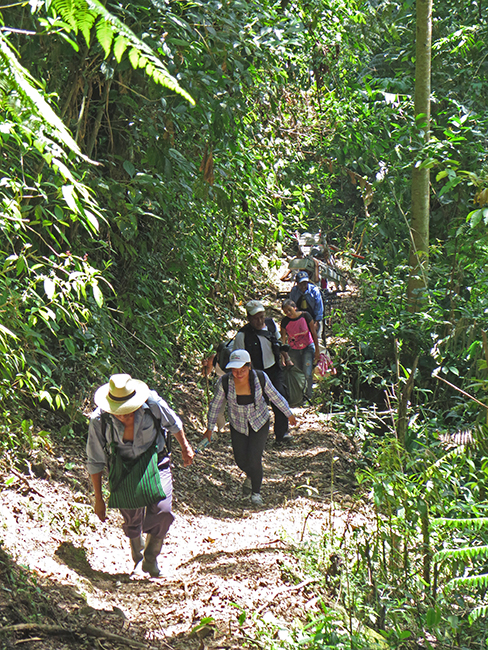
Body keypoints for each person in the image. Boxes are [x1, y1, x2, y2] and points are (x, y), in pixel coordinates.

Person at [86, 373, 194, 577]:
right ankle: (138, 556)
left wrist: (185, 447)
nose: (123, 416)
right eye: (119, 413)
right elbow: (95, 460)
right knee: (130, 513)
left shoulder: (152, 403)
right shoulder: (100, 420)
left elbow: (174, 423)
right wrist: (98, 499)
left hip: (155, 460)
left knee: (162, 510)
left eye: (128, 411)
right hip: (123, 466)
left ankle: (151, 558)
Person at [203, 350, 296, 506]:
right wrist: (209, 428)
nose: (239, 374)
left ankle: (256, 492)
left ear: (249, 366)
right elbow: (215, 406)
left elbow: (275, 396)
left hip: (259, 422)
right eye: (235, 370)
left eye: (243, 370)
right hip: (238, 425)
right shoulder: (225, 382)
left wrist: (289, 414)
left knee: (254, 458)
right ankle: (252, 476)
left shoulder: (260, 378)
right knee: (240, 460)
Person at [233, 300, 292, 443]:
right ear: (248, 318)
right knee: (256, 405)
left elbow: (279, 342)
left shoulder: (271, 325)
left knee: (280, 398)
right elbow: (239, 358)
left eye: (262, 316)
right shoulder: (243, 335)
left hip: (273, 369)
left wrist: (287, 358)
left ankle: (282, 433)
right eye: (256, 318)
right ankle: (256, 437)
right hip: (255, 374)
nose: (260, 320)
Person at [281, 299, 320, 401]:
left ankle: (308, 396)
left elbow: (313, 332)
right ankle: (299, 397)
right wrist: (283, 356)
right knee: (298, 373)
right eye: (286, 312)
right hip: (294, 349)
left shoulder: (305, 316)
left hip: (307, 346)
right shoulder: (285, 322)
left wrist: (317, 350)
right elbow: (283, 340)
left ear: (295, 308)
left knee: (307, 372)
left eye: (290, 310)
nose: (288, 313)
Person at [288, 270, 324, 338]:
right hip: (299, 318)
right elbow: (292, 305)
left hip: (314, 317)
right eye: (301, 284)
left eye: (305, 283)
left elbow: (319, 308)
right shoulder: (294, 291)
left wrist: (316, 322)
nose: (303, 286)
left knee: (317, 338)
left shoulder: (314, 291)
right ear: (297, 283)